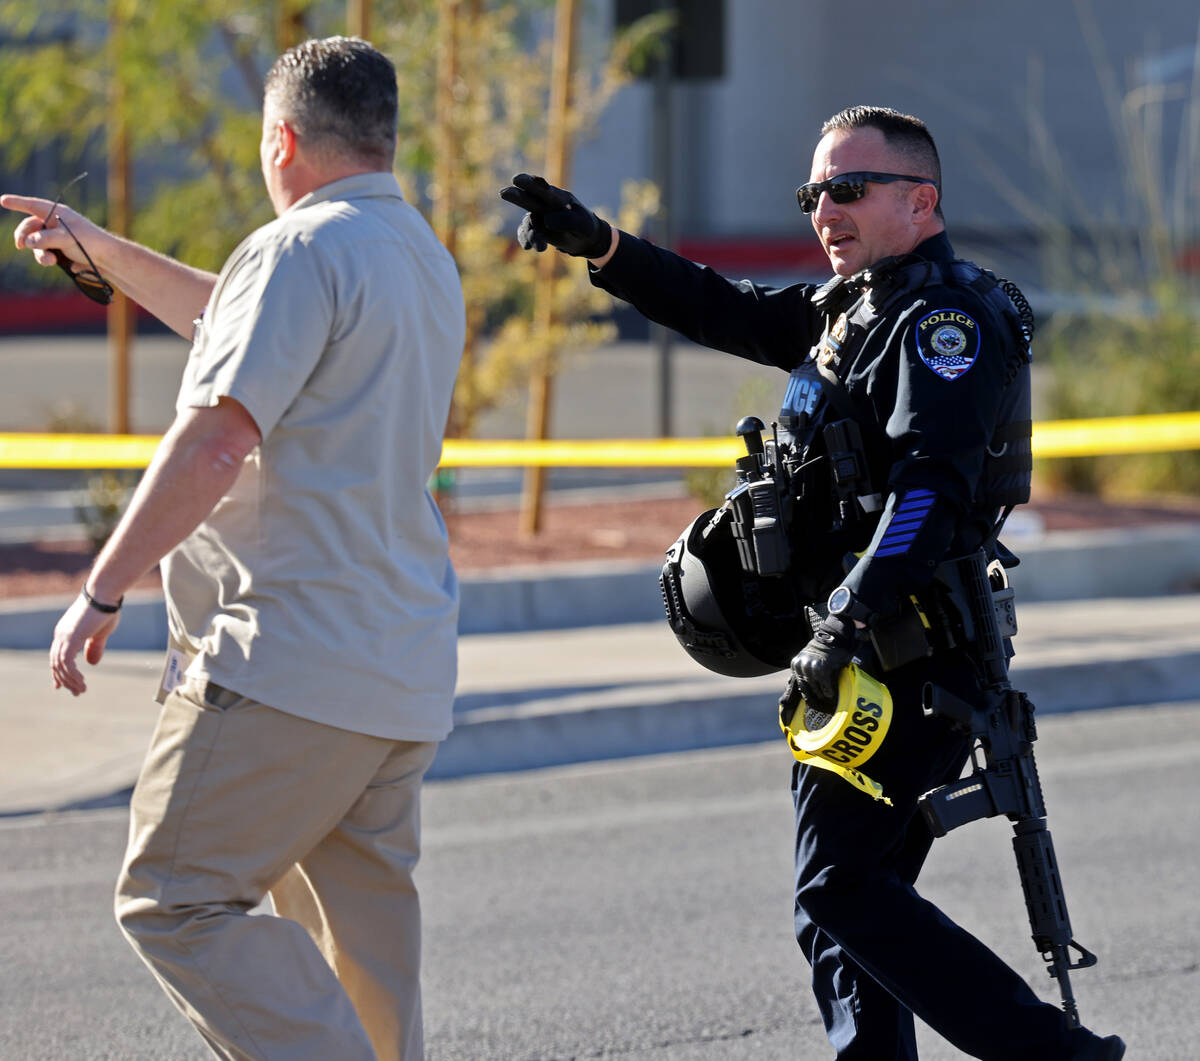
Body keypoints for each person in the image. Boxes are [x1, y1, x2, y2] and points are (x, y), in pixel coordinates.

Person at [500, 106, 1126, 1060]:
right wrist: (604, 246)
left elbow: (931, 488)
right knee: (836, 902)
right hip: (855, 661)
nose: (822, 211)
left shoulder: (941, 323)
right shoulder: (850, 313)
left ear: (921, 200)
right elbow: (722, 307)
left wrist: (848, 618)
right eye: (811, 194)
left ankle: (1057, 1056)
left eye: (846, 189)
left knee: (840, 889)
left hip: (915, 655)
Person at [3, 36, 464, 1061]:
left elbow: (218, 436)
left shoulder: (297, 249)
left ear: (282, 140)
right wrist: (106, 252)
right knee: (364, 943)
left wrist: (103, 586)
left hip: (285, 659)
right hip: (397, 668)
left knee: (172, 897)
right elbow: (236, 316)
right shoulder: (419, 258)